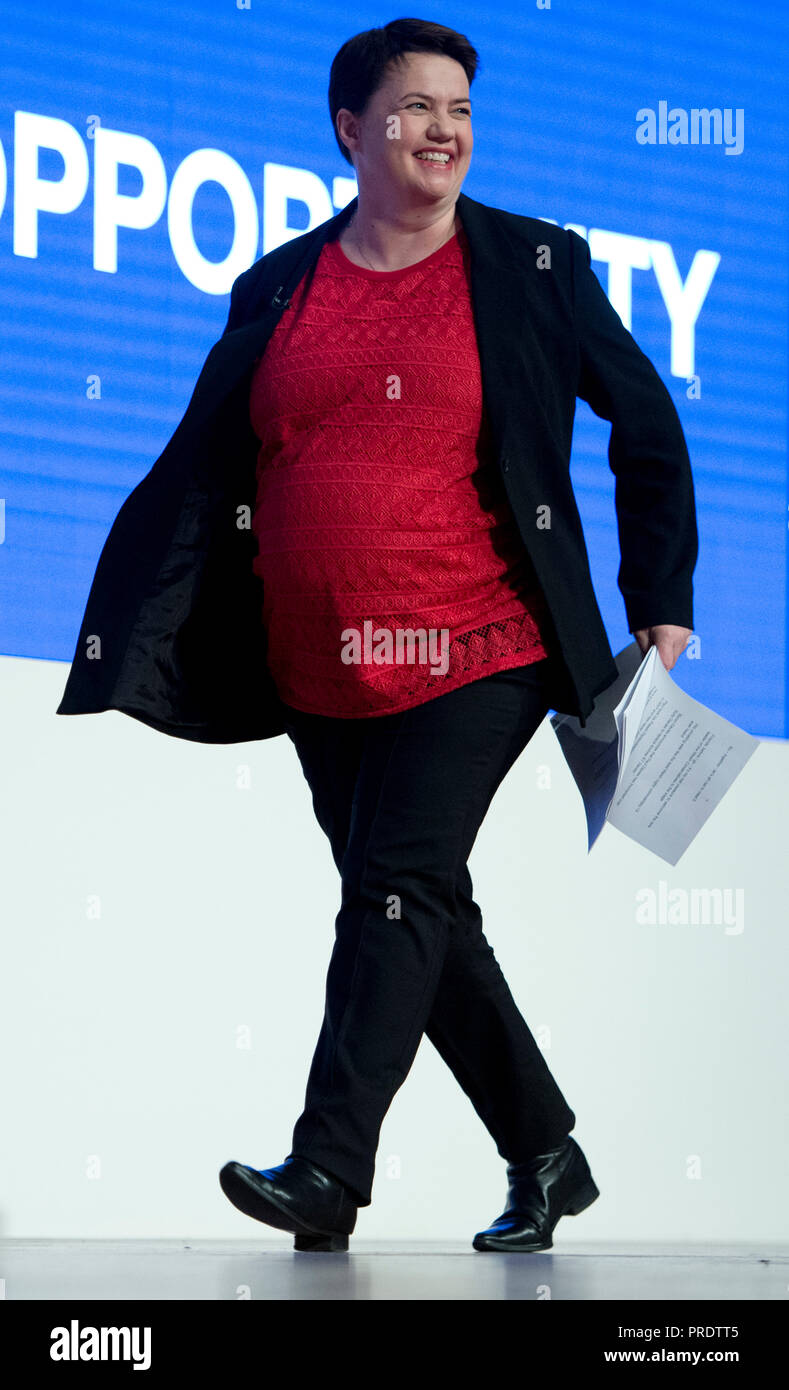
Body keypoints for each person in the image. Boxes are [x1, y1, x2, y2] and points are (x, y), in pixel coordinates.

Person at [57, 18, 697, 1253]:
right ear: (350, 130)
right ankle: (547, 1153)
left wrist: (659, 595)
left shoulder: (537, 267)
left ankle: (327, 1168)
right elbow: (217, 466)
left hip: (483, 639)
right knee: (415, 905)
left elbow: (646, 422)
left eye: (459, 105)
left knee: (397, 882)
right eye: (413, 106)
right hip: (320, 658)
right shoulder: (281, 283)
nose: (443, 127)